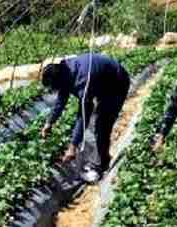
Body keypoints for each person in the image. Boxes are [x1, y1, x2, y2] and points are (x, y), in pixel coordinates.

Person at [41, 53, 130, 181]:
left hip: (116, 83)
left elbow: (83, 115)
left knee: (102, 125)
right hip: (101, 79)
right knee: (100, 122)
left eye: (55, 87)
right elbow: (61, 99)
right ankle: (100, 160)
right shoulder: (65, 69)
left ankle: (100, 165)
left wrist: (72, 146)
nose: (56, 90)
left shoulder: (84, 82)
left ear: (60, 80)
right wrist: (49, 122)